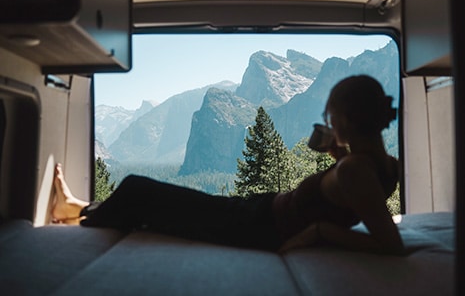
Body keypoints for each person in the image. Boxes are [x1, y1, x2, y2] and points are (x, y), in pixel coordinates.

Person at [52, 75, 404, 254]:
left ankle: (76, 211)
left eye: (330, 113)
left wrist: (321, 234)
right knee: (150, 202)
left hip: (257, 226)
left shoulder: (356, 170)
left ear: (346, 117)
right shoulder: (386, 165)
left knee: (137, 190)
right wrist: (336, 153)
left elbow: (391, 245)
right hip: (261, 210)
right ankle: (81, 208)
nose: (327, 118)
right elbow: (350, 196)